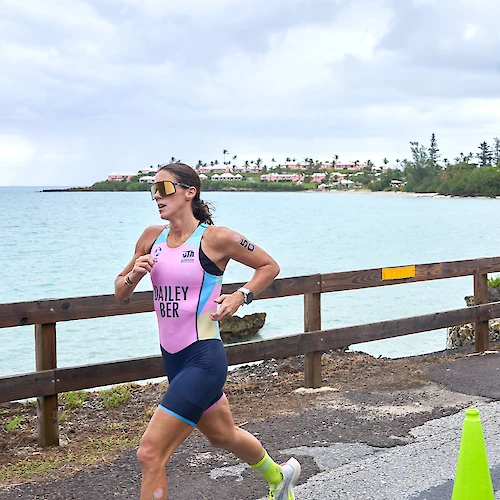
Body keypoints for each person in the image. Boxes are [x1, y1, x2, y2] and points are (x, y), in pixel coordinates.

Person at [115, 162, 301, 500]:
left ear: (190, 192)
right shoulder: (150, 238)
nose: (157, 196)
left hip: (204, 359)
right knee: (222, 435)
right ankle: (280, 476)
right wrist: (133, 276)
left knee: (150, 452)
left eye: (166, 188)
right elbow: (120, 292)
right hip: (173, 360)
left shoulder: (217, 238)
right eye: (153, 189)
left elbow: (269, 266)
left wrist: (241, 295)